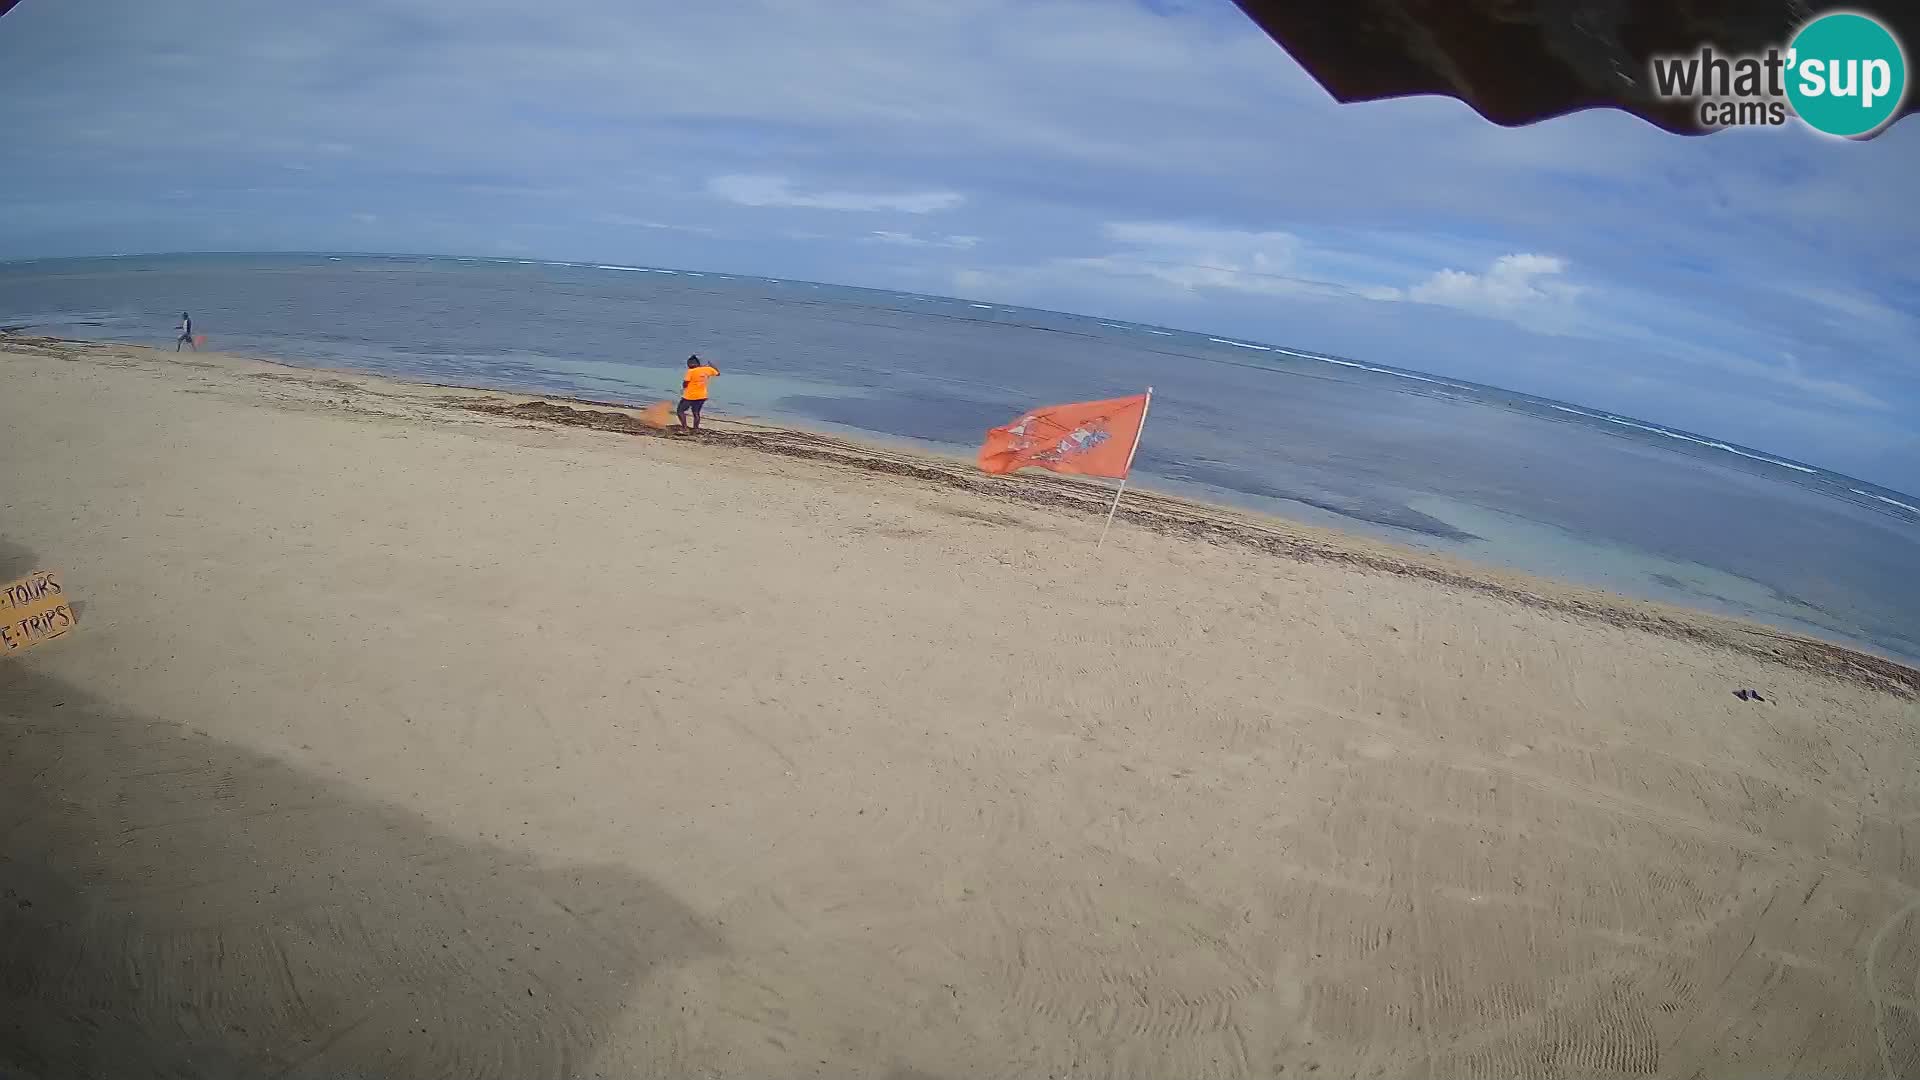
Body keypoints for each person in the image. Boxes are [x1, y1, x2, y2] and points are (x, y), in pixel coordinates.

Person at [677, 354, 720, 432]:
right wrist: (712, 366)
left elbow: (685, 383)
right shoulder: (707, 369)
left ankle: (684, 428)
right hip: (702, 396)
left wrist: (683, 388)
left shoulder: (690, 371)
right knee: (696, 412)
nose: (689, 365)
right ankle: (696, 429)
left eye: (689, 364)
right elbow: (718, 373)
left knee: (680, 411)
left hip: (689, 396)